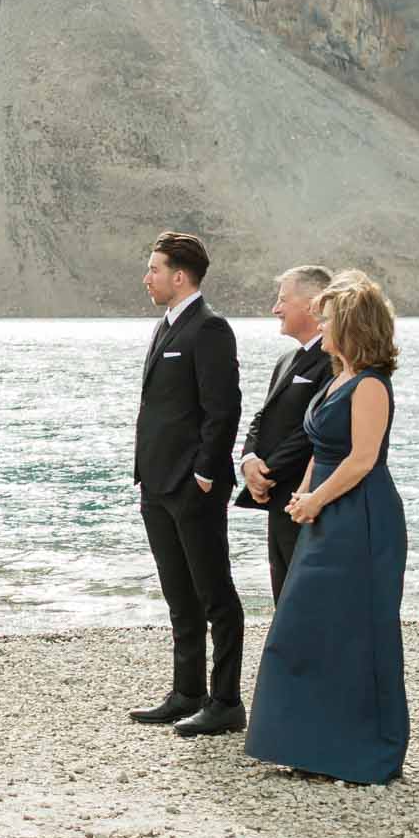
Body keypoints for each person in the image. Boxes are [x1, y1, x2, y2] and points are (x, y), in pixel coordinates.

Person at [246, 271, 410, 784]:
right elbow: (322, 449)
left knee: (353, 632)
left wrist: (316, 498)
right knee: (302, 627)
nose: (322, 323)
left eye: (330, 317)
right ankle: (305, 744)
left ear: (353, 325)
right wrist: (303, 495)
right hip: (322, 513)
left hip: (361, 518)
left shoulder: (371, 386)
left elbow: (362, 459)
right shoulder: (336, 376)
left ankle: (357, 754)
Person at [128, 230, 246, 738]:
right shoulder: (164, 327)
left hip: (191, 487)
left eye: (154, 268)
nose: (146, 276)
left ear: (180, 276)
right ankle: (186, 692)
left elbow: (223, 410)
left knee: (214, 593)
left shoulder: (210, 328)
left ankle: (226, 701)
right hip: (155, 484)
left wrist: (202, 473)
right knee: (179, 595)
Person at [235, 266, 333, 602]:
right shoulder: (286, 359)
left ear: (312, 304)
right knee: (283, 593)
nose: (275, 309)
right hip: (275, 498)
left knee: (306, 597)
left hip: (306, 497)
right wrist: (248, 461)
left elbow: (314, 430)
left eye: (282, 300)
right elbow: (263, 416)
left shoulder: (333, 361)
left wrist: (268, 473)